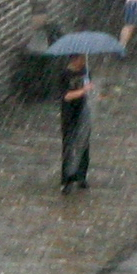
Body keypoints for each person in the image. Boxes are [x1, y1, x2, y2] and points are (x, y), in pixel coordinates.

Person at [58, 54, 93, 191]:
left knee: (84, 144)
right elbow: (66, 96)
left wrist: (89, 89)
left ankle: (81, 176)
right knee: (69, 145)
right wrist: (83, 90)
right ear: (74, 59)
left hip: (83, 111)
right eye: (81, 59)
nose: (84, 61)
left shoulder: (86, 71)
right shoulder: (65, 74)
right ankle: (67, 179)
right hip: (69, 114)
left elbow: (88, 91)